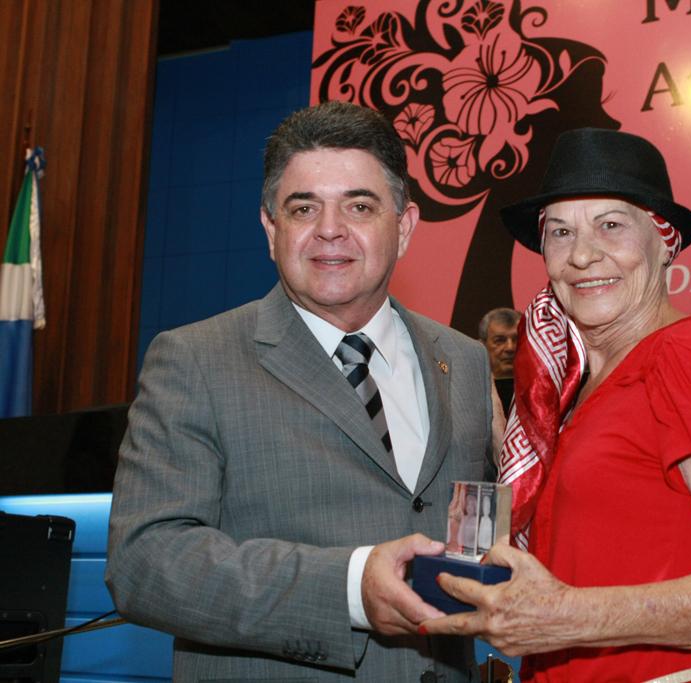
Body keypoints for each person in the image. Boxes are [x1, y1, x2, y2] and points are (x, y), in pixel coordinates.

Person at [105, 101, 502, 681]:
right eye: (303, 208)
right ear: (272, 230)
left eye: (359, 206)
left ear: (404, 227)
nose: (330, 229)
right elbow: (144, 562)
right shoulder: (195, 360)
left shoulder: (464, 361)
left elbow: (477, 541)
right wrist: (349, 588)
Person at [421, 128, 691, 683]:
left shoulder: (689, 354)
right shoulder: (568, 387)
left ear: (664, 241)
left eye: (611, 225)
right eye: (560, 232)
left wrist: (568, 617)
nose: (581, 255)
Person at [478, 307, 522, 380]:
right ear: (482, 346)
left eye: (517, 340)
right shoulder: (469, 384)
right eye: (500, 340)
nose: (510, 348)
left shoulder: (540, 384)